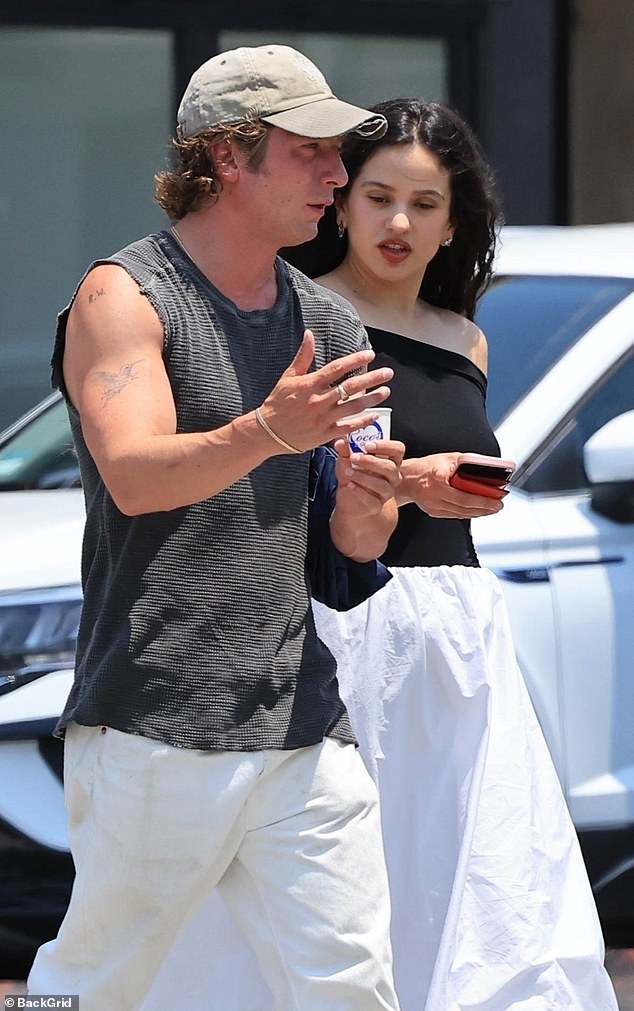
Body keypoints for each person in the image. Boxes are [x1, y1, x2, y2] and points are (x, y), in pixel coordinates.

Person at [153, 97, 620, 1010]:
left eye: (425, 203)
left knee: (484, 880)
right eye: (377, 197)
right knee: (338, 890)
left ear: (456, 221)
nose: (399, 223)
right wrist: (413, 484)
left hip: (460, 631)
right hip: (345, 623)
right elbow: (288, 479)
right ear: (344, 201)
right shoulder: (304, 319)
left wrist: (464, 488)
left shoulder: (468, 338)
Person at [26, 45, 407, 1011]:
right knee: (95, 986)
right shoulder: (125, 294)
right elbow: (135, 473)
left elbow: (351, 548)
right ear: (227, 157)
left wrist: (377, 500)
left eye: (337, 150)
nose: (338, 173)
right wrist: (269, 428)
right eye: (309, 147)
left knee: (353, 987)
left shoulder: (330, 323)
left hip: (301, 720)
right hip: (156, 713)